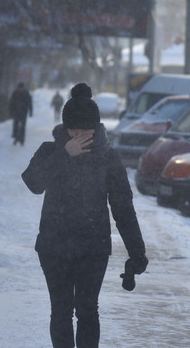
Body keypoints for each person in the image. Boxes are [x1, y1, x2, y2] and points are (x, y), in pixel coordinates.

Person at [22, 83, 147, 348]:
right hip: (54, 247)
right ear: (65, 129)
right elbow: (33, 183)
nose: (78, 136)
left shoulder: (108, 159)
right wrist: (64, 156)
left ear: (96, 129)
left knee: (88, 310)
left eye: (85, 131)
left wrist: (137, 252)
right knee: (61, 311)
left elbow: (123, 208)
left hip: (93, 248)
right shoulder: (50, 151)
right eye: (73, 131)